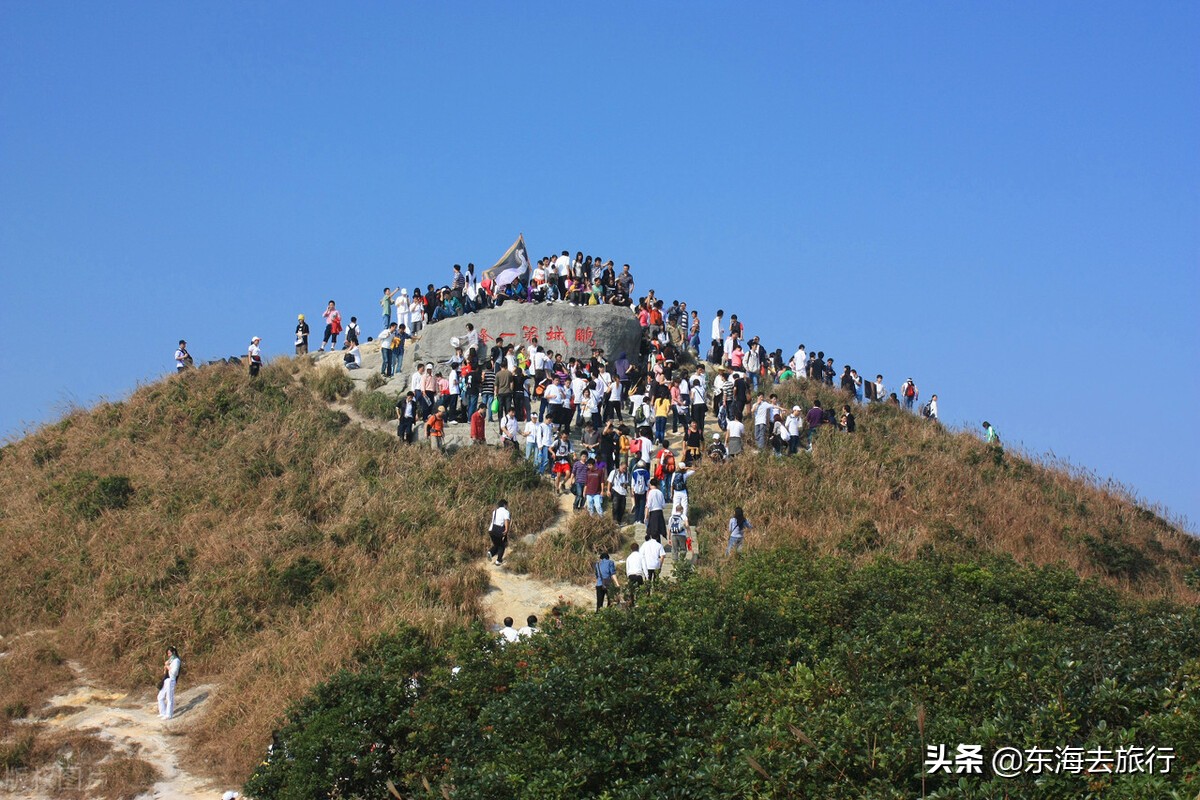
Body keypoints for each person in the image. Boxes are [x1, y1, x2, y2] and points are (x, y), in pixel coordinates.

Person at [157, 646, 182, 719]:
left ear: (173, 652)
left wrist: (167, 666)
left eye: (169, 653)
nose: (168, 655)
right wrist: (165, 667)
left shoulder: (176, 661)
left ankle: (169, 715)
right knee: (160, 697)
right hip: (166, 679)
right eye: (167, 653)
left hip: (171, 680)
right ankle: (163, 712)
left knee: (169, 698)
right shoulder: (170, 660)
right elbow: (165, 672)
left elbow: (175, 673)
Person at [487, 500, 510, 566]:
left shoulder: (495, 511)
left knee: (497, 545)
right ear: (504, 505)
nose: (507, 507)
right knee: (502, 546)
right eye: (507, 505)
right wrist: (506, 530)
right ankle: (498, 561)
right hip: (499, 530)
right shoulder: (506, 512)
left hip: (491, 530)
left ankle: (490, 552)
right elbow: (506, 521)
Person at [625, 542, 647, 607]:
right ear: (638, 548)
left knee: (632, 590)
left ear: (631, 549)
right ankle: (639, 603)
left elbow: (627, 568)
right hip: (638, 575)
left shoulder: (629, 557)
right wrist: (646, 576)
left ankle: (632, 603)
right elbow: (644, 567)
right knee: (640, 590)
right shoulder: (641, 556)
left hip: (631, 575)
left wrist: (627, 577)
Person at [631, 460, 650, 524]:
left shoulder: (635, 472)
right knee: (642, 505)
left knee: (637, 505)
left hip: (636, 491)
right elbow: (648, 483)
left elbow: (633, 483)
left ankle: (636, 519)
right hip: (644, 491)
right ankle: (640, 520)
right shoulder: (646, 473)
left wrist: (632, 490)